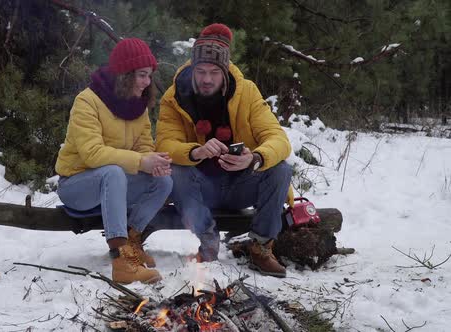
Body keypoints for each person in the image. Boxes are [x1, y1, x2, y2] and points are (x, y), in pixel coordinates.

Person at [155, 24, 293, 278]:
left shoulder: (246, 92)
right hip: (197, 192)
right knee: (175, 170)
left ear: (225, 71)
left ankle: (261, 247)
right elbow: (164, 144)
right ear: (192, 69)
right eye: (201, 72)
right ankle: (208, 241)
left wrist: (254, 158)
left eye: (214, 73)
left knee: (280, 168)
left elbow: (279, 139)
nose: (207, 79)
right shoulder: (174, 98)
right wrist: (195, 152)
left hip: (240, 186)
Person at [56, 38, 173, 284]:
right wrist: (141, 162)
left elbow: (143, 147)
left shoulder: (138, 106)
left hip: (113, 184)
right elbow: (93, 154)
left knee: (163, 183)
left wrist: (154, 162)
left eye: (149, 76)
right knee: (113, 172)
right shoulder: (87, 101)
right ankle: (121, 261)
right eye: (142, 75)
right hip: (77, 186)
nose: (147, 82)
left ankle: (132, 241)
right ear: (124, 74)